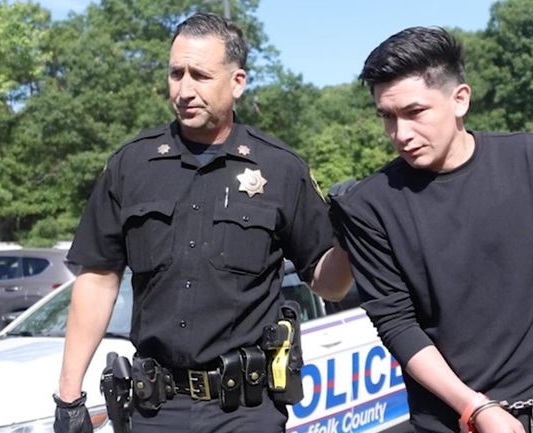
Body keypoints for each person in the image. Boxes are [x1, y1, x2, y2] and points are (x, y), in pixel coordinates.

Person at [53, 11, 352, 433]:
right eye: (176, 73)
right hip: (155, 411)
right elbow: (99, 278)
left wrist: (355, 234)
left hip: (246, 411)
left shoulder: (281, 169)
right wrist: (69, 395)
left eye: (200, 75)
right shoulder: (131, 165)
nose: (185, 89)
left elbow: (329, 282)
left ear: (237, 82)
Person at [330, 27, 533, 433]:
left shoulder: (530, 159)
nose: (400, 134)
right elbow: (396, 324)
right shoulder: (369, 205)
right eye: (387, 117)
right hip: (451, 421)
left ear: (460, 99)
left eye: (414, 112)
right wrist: (474, 408)